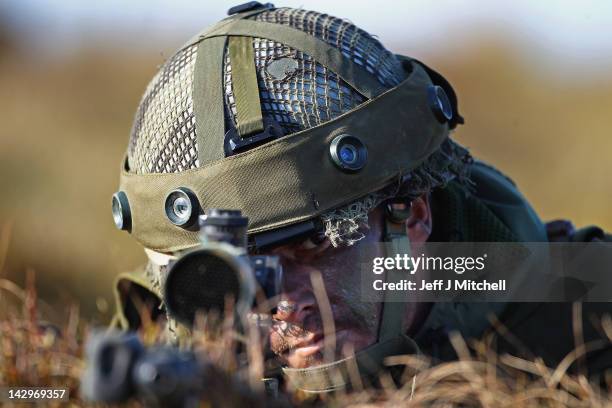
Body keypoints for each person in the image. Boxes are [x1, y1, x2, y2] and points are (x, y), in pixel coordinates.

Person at [109, 3, 612, 393]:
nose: (282, 304)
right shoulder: (155, 343)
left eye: (311, 250)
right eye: (239, 270)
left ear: (412, 216)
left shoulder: (583, 312)